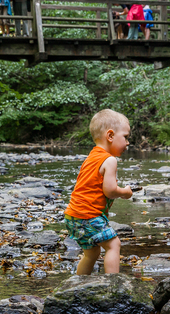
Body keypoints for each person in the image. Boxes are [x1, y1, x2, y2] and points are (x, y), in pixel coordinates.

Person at [63, 109, 134, 274]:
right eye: (125, 137)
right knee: (113, 245)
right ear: (110, 136)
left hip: (73, 216)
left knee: (92, 253)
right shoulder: (109, 160)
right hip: (88, 216)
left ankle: (78, 284)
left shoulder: (91, 156)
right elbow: (109, 191)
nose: (128, 142)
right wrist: (124, 192)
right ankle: (113, 284)